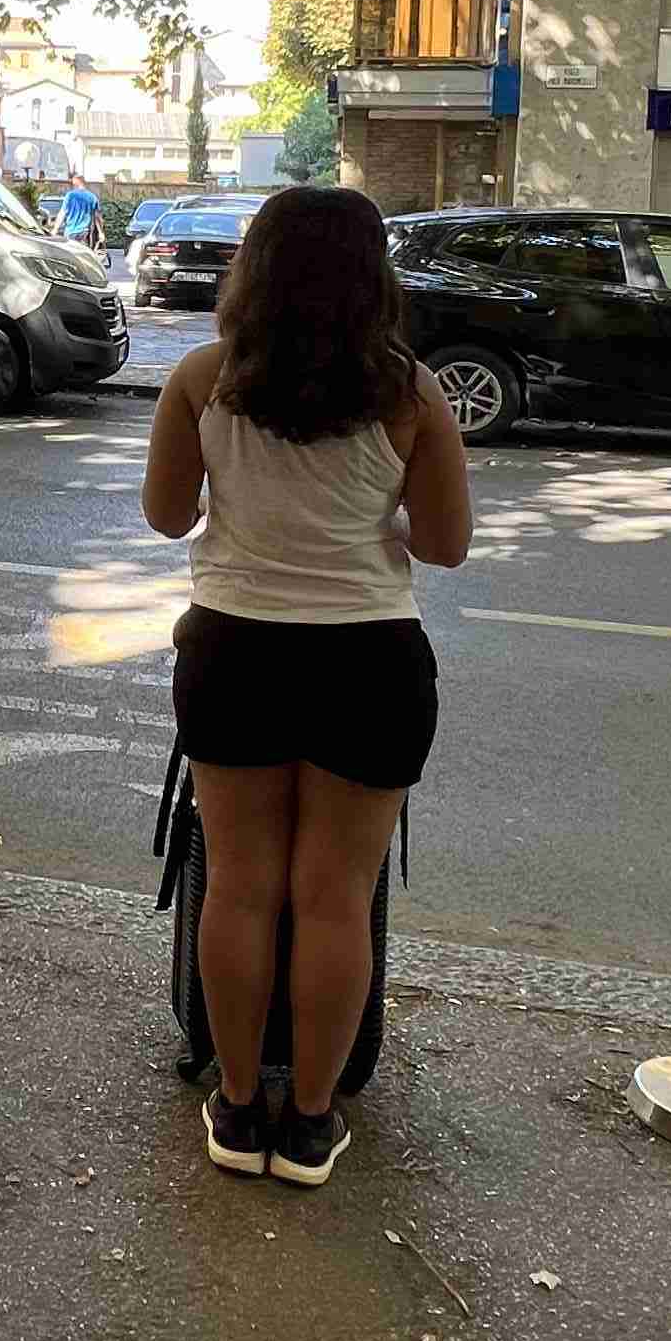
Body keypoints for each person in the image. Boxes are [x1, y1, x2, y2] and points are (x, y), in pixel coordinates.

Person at [139, 187, 472, 1188]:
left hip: (235, 649)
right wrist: (371, 526)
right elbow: (447, 546)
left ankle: (238, 1110)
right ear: (376, 280)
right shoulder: (411, 395)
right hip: (371, 660)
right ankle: (313, 1123)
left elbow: (166, 518)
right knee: (334, 898)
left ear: (255, 271)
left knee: (240, 886)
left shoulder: (203, 380)